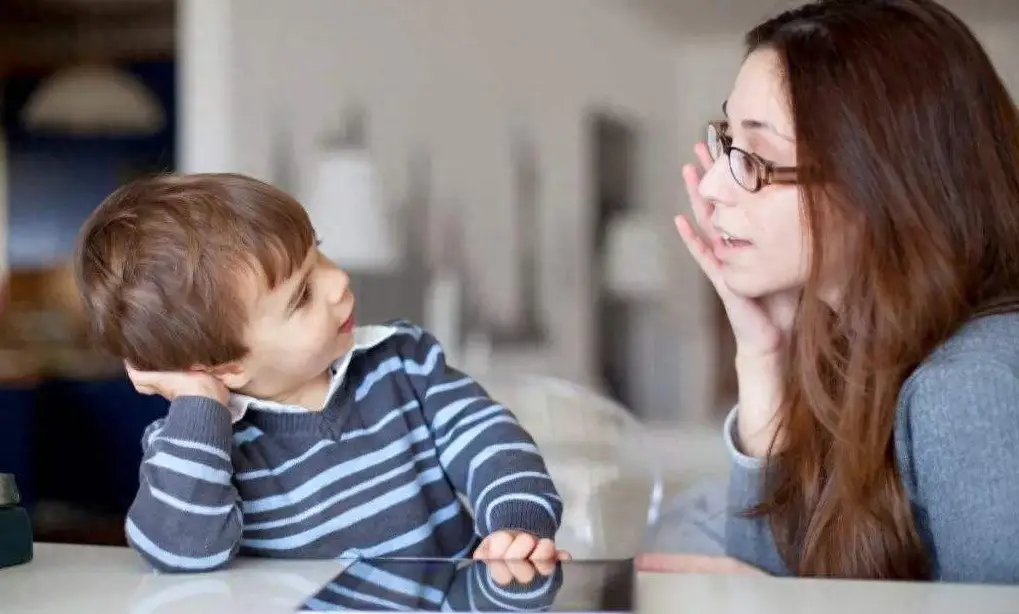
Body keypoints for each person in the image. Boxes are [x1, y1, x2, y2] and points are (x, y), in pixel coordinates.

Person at [639, 0, 1019, 583]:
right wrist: (763, 353)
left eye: (757, 158)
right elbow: (773, 578)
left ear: (883, 182)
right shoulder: (860, 355)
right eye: (725, 141)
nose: (713, 186)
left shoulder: (966, 388)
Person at [74, 173, 568, 572]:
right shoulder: (197, 448)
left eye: (320, 253)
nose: (337, 281)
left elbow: (490, 439)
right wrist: (201, 403)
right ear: (227, 366)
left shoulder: (403, 362)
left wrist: (516, 522)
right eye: (302, 296)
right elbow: (180, 551)